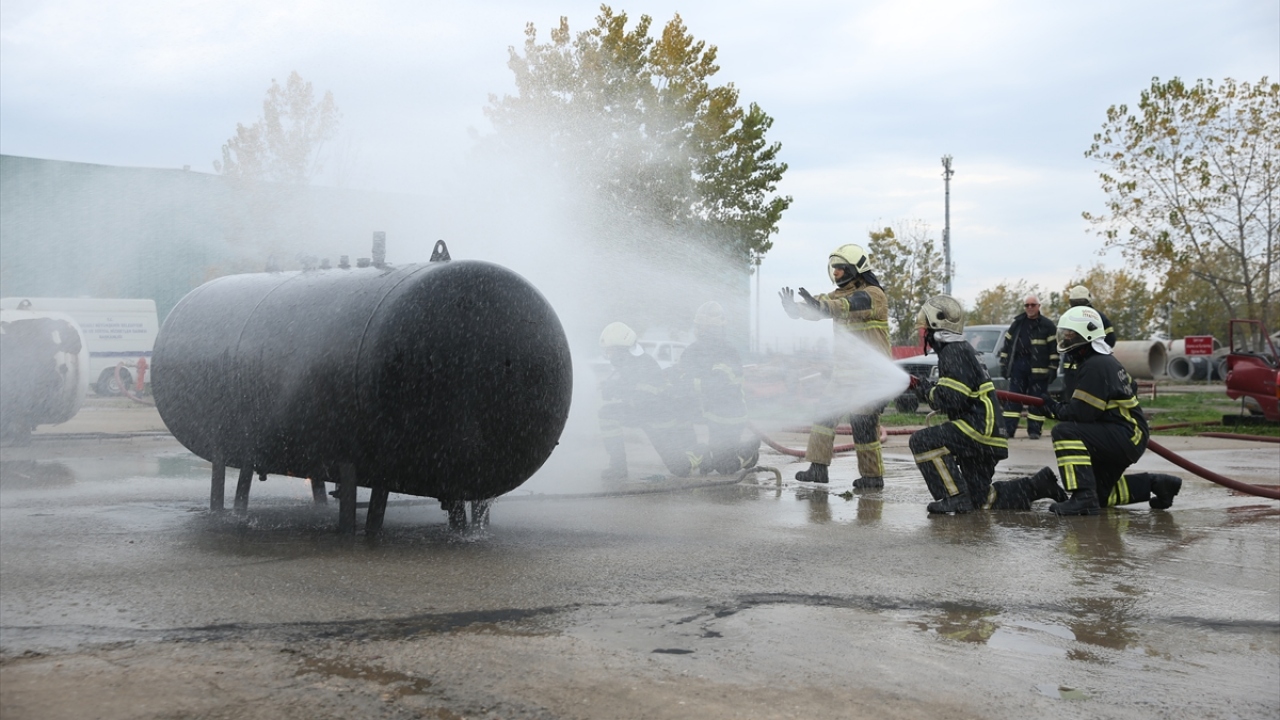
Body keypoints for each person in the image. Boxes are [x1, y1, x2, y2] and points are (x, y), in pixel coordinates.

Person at [1031, 305, 1181, 515]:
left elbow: (1081, 414)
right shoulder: (1104, 361)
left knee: (1064, 432)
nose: (1066, 339)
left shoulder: (1096, 365)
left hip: (1125, 435)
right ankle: (1157, 484)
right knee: (1100, 495)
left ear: (1085, 336)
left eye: (1070, 335)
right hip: (1126, 434)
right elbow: (1128, 388)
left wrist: (1050, 408)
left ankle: (1082, 497)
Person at [779, 243, 891, 488]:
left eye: (841, 268)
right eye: (834, 268)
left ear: (855, 269)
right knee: (824, 418)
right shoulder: (838, 295)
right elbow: (819, 305)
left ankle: (872, 477)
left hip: (869, 378)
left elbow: (848, 305)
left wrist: (821, 306)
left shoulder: (874, 295)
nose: (836, 272)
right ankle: (818, 469)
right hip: (843, 376)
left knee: (863, 427)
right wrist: (796, 309)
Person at [907, 295, 1010, 513]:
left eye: (926, 326)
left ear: (937, 325)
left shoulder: (953, 352)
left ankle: (954, 496)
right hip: (989, 433)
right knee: (980, 499)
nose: (924, 332)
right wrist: (930, 387)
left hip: (977, 430)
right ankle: (1039, 485)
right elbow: (956, 391)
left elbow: (951, 400)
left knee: (922, 441)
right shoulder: (962, 349)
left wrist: (925, 391)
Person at [597, 322, 698, 481]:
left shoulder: (643, 364)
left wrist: (617, 389)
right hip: (643, 415)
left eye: (610, 351)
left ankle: (702, 453)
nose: (609, 355)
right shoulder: (628, 364)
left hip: (659, 421)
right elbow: (631, 390)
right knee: (606, 414)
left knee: (681, 468)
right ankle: (618, 467)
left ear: (621, 349)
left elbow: (646, 398)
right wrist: (611, 387)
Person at [672, 301, 760, 475]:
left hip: (728, 416)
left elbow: (717, 383)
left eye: (708, 328)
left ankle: (748, 453)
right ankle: (698, 452)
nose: (703, 332)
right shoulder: (692, 351)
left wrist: (688, 382)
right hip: (705, 410)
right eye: (701, 327)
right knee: (675, 410)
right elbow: (681, 374)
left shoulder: (728, 352)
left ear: (718, 329)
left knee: (724, 467)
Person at [997, 294, 1058, 439]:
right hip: (1019, 366)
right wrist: (1004, 365)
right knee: (1013, 399)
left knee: (1037, 400)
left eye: (1033, 305)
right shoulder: (1017, 324)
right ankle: (1008, 430)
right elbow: (1007, 346)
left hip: (1040, 369)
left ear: (1039, 306)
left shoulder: (1047, 325)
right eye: (1027, 305)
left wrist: (1053, 368)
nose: (1030, 308)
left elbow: (1053, 349)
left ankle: (1034, 431)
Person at [1059, 285, 1116, 383]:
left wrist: (1092, 353)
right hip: (1074, 370)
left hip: (1084, 369)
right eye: (1076, 302)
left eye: (1080, 302)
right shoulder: (1098, 317)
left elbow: (1110, 340)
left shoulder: (1096, 317)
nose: (1078, 306)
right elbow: (1110, 340)